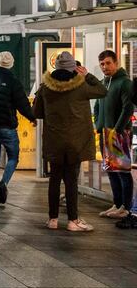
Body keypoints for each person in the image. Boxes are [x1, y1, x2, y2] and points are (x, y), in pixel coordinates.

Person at [33, 52, 107, 231]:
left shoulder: (45, 88)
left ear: (56, 67)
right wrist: (87, 75)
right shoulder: (81, 86)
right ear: (74, 67)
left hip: (54, 141)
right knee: (71, 180)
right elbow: (103, 91)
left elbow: (37, 113)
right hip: (76, 142)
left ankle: (52, 220)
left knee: (54, 179)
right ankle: (73, 221)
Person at [0, 51, 36, 205]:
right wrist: (32, 118)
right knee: (13, 157)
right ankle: (3, 183)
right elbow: (22, 104)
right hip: (7, 126)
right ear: (11, 64)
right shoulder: (13, 81)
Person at [93, 49, 135, 221]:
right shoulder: (103, 83)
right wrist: (98, 125)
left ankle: (126, 207)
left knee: (122, 171)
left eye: (108, 63)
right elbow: (97, 106)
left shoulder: (125, 83)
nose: (105, 67)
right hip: (105, 133)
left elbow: (128, 108)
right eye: (102, 64)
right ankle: (117, 204)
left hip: (119, 133)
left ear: (116, 63)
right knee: (111, 170)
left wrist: (117, 130)